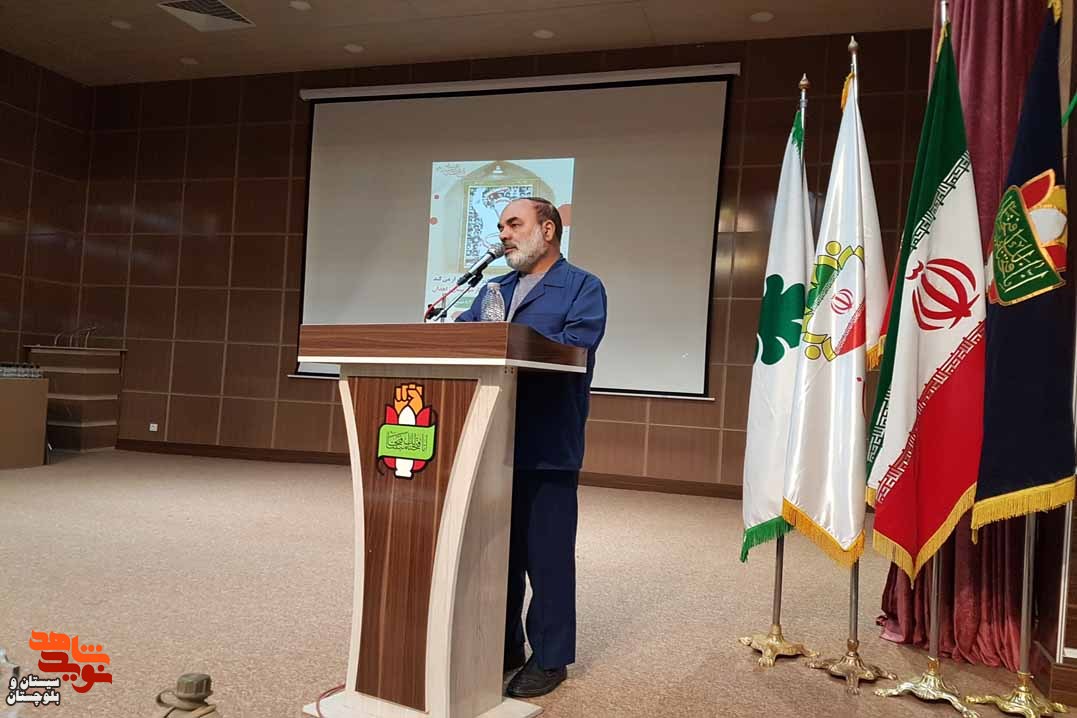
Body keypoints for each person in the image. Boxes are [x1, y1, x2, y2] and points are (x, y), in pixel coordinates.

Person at [455, 197, 607, 697]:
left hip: (546, 441)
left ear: (547, 230)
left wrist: (507, 339)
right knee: (497, 552)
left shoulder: (582, 286)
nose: (504, 233)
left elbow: (574, 346)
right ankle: (505, 645)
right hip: (488, 440)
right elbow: (462, 340)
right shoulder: (493, 289)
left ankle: (552, 657)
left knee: (547, 556)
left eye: (514, 224)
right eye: (500, 226)